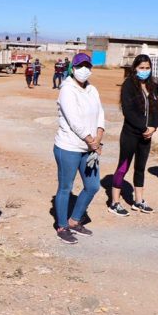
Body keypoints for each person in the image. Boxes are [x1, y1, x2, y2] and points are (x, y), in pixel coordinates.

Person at [53, 53, 104, 244]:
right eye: (80, 66)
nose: (84, 70)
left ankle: (74, 220)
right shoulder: (67, 89)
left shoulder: (92, 90)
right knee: (65, 187)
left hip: (89, 147)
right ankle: (62, 226)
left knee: (92, 186)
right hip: (69, 147)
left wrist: (98, 136)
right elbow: (74, 120)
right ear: (72, 68)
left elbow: (100, 113)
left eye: (87, 66)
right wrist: (92, 141)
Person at [108, 54, 158, 216]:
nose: (145, 71)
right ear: (135, 68)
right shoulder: (129, 85)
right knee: (123, 166)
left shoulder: (152, 86)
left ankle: (138, 201)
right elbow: (128, 111)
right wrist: (143, 128)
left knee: (140, 167)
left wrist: (153, 127)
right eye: (141, 68)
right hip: (131, 134)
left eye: (147, 68)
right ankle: (114, 202)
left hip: (147, 136)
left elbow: (156, 110)